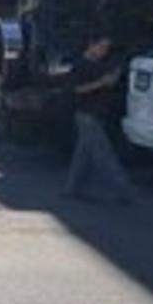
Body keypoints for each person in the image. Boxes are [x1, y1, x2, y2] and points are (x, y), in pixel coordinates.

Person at [62, 28, 134, 204]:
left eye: (106, 48)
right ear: (91, 45)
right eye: (101, 47)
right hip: (86, 115)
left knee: (83, 155)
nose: (104, 51)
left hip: (97, 114)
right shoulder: (80, 65)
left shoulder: (101, 64)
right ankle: (122, 190)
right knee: (104, 155)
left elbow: (110, 82)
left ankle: (73, 187)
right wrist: (100, 83)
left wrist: (113, 75)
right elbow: (75, 89)